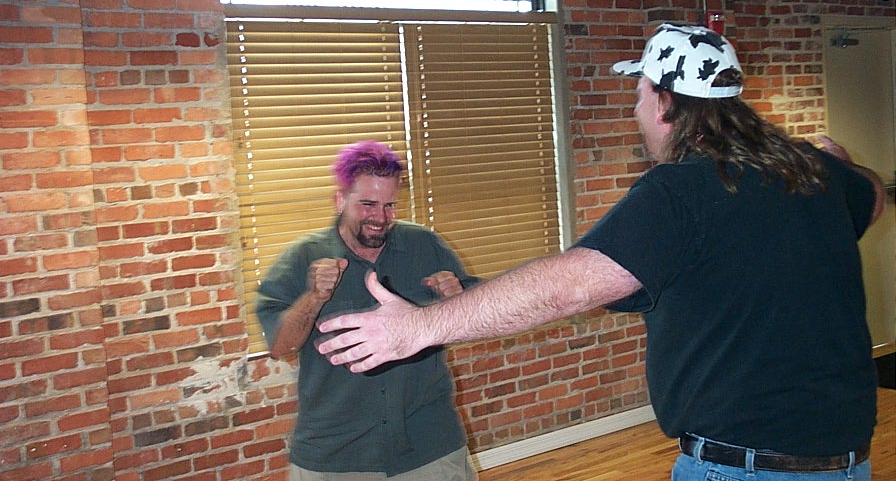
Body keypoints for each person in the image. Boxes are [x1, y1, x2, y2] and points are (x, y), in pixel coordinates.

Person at [316, 24, 887, 481]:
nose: (635, 111)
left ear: (666, 102)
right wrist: (841, 161)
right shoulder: (811, 171)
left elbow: (571, 286)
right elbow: (875, 197)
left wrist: (419, 327)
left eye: (639, 95)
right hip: (844, 459)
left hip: (744, 465)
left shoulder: (679, 190)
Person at [256, 140, 480, 481]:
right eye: (368, 204)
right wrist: (314, 298)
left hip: (429, 445)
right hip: (337, 454)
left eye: (390, 205)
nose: (380, 218)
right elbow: (280, 346)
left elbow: (478, 318)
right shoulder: (301, 258)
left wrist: (459, 298)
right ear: (340, 200)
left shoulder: (426, 245)